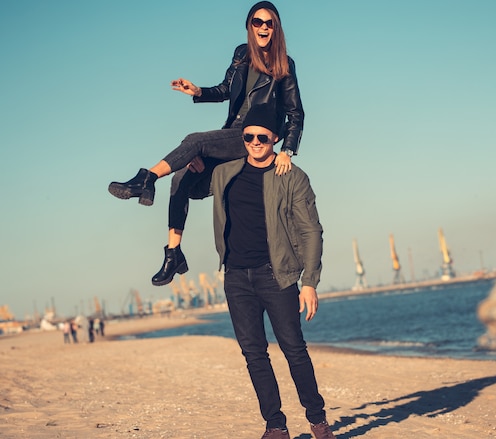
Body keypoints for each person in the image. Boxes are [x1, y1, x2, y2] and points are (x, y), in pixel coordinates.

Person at [108, 1, 304, 287]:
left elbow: (296, 112)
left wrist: (287, 150)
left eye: (269, 23)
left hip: (254, 137)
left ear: (276, 28)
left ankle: (145, 178)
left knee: (195, 141)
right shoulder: (241, 54)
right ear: (249, 26)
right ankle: (173, 253)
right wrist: (198, 91)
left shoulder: (284, 64)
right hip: (232, 133)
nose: (263, 27)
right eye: (257, 22)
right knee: (181, 177)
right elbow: (226, 89)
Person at [210, 104, 334, 439]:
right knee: (253, 354)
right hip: (235, 276)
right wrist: (192, 165)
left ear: (275, 139)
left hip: (275, 275)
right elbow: (192, 185)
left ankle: (318, 419)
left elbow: (311, 231)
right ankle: (275, 425)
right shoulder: (224, 173)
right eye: (248, 135)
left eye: (262, 137)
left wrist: (309, 282)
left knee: (293, 348)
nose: (254, 141)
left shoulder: (292, 177)